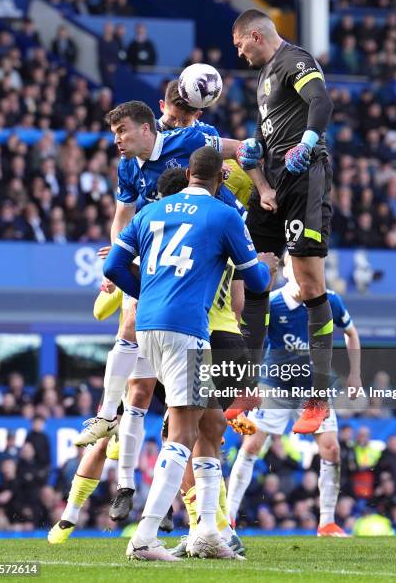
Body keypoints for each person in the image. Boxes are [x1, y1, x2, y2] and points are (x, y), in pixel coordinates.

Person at [103, 146, 278, 560]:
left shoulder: (150, 212)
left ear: (187, 176)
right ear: (220, 179)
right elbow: (256, 282)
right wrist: (266, 265)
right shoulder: (223, 215)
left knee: (212, 421)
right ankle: (144, 537)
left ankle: (208, 534)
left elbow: (112, 266)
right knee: (182, 433)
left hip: (146, 328)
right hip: (187, 330)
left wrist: (147, 297)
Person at [74, 99, 276, 448]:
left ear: (147, 128)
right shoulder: (127, 167)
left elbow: (241, 148)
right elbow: (122, 217)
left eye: (122, 131)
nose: (117, 140)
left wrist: (263, 187)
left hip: (202, 248)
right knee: (131, 336)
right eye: (114, 133)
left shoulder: (190, 141)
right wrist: (122, 249)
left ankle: (223, 400)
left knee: (234, 312)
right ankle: (110, 418)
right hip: (159, 257)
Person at [232, 9, 335, 433]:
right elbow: (263, 137)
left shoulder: (296, 60)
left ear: (256, 35)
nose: (240, 54)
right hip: (272, 185)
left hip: (305, 177)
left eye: (241, 45)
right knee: (256, 278)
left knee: (308, 282)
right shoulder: (263, 79)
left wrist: (309, 141)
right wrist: (258, 173)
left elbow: (321, 102)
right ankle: (248, 384)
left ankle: (319, 396)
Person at [226, 253, 362, 536]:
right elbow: (247, 337)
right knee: (251, 447)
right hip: (274, 385)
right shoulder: (272, 304)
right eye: (299, 269)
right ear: (288, 270)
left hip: (312, 390)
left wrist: (355, 374)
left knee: (332, 449)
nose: (306, 276)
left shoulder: (329, 300)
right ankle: (228, 516)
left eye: (311, 270)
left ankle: (326, 522)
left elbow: (351, 332)